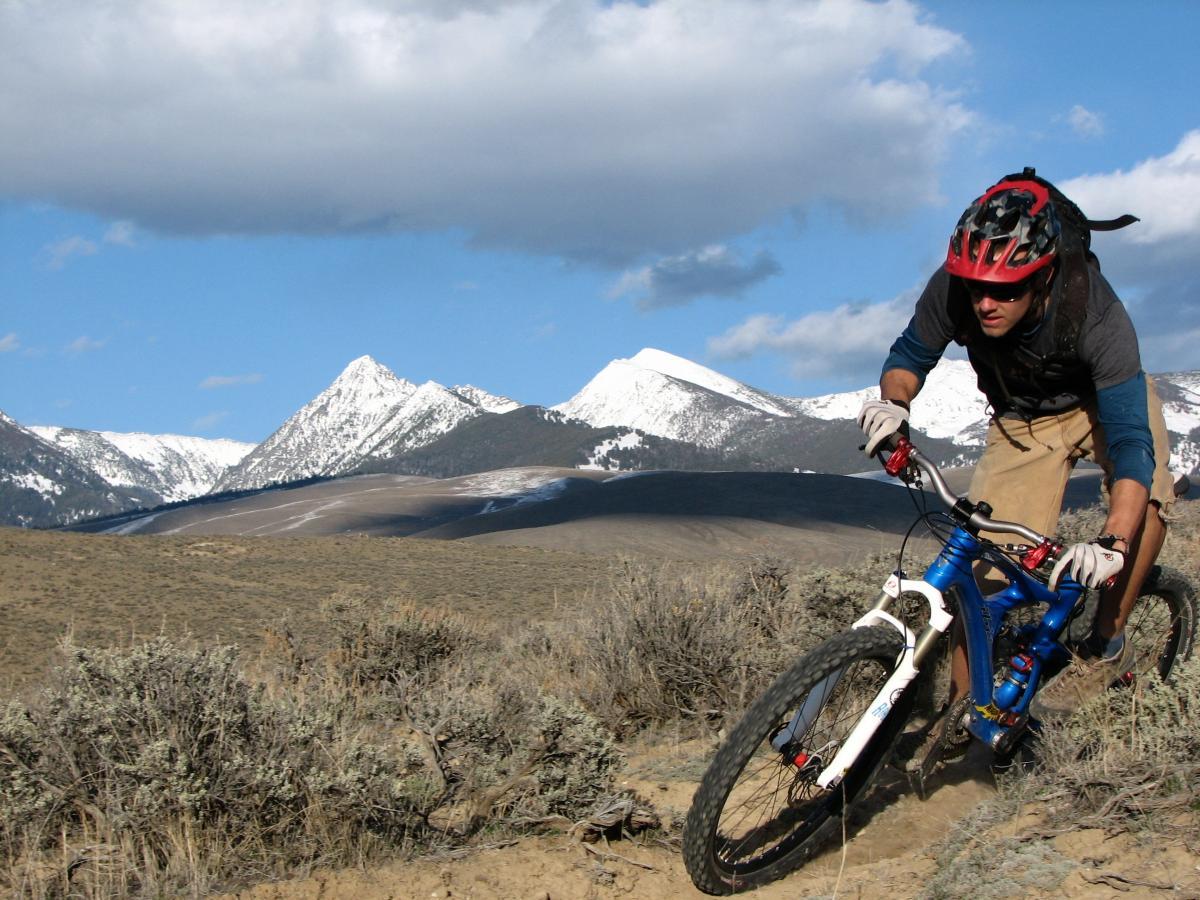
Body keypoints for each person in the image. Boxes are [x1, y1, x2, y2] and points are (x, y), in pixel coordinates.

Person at [856, 172, 1176, 755]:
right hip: (1022, 421)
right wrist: (892, 404)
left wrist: (1111, 542)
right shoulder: (956, 287)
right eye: (977, 286)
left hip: (1104, 409)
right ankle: (964, 722)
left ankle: (1105, 640)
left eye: (1005, 290)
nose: (984, 302)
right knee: (981, 572)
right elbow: (909, 356)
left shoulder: (1098, 315)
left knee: (1147, 497)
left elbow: (1131, 442)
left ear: (1045, 275)